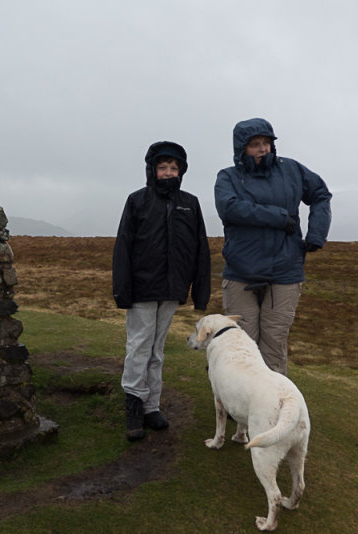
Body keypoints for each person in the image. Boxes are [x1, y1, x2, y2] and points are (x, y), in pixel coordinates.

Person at [214, 118, 332, 376]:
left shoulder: (292, 170)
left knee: (274, 343)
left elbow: (321, 194)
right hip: (241, 273)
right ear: (241, 149)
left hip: (285, 271)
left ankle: (273, 407)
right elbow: (229, 208)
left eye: (266, 143)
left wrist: (317, 233)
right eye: (255, 145)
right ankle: (241, 404)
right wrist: (279, 218)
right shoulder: (228, 177)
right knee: (242, 343)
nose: (262, 149)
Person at [113, 141, 211, 441]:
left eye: (174, 168)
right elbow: (123, 247)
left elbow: (200, 250)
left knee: (157, 349)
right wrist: (122, 291)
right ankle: (133, 405)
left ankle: (151, 406)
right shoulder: (137, 201)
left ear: (180, 171)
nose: (168, 172)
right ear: (152, 169)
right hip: (142, 289)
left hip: (172, 290)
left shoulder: (190, 204)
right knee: (139, 347)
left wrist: (200, 293)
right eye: (163, 167)